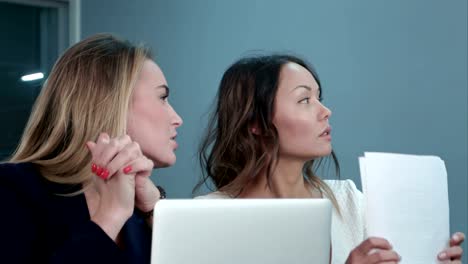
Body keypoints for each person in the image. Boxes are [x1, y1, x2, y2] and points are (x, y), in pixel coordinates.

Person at [195, 54, 464, 263]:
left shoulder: (350, 203)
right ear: (256, 122)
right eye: (304, 100)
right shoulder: (207, 216)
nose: (326, 111)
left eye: (319, 97)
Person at [0, 33, 182, 263]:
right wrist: (110, 217)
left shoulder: (140, 205)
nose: (177, 118)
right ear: (112, 103)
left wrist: (154, 209)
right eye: (163, 97)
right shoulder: (13, 189)